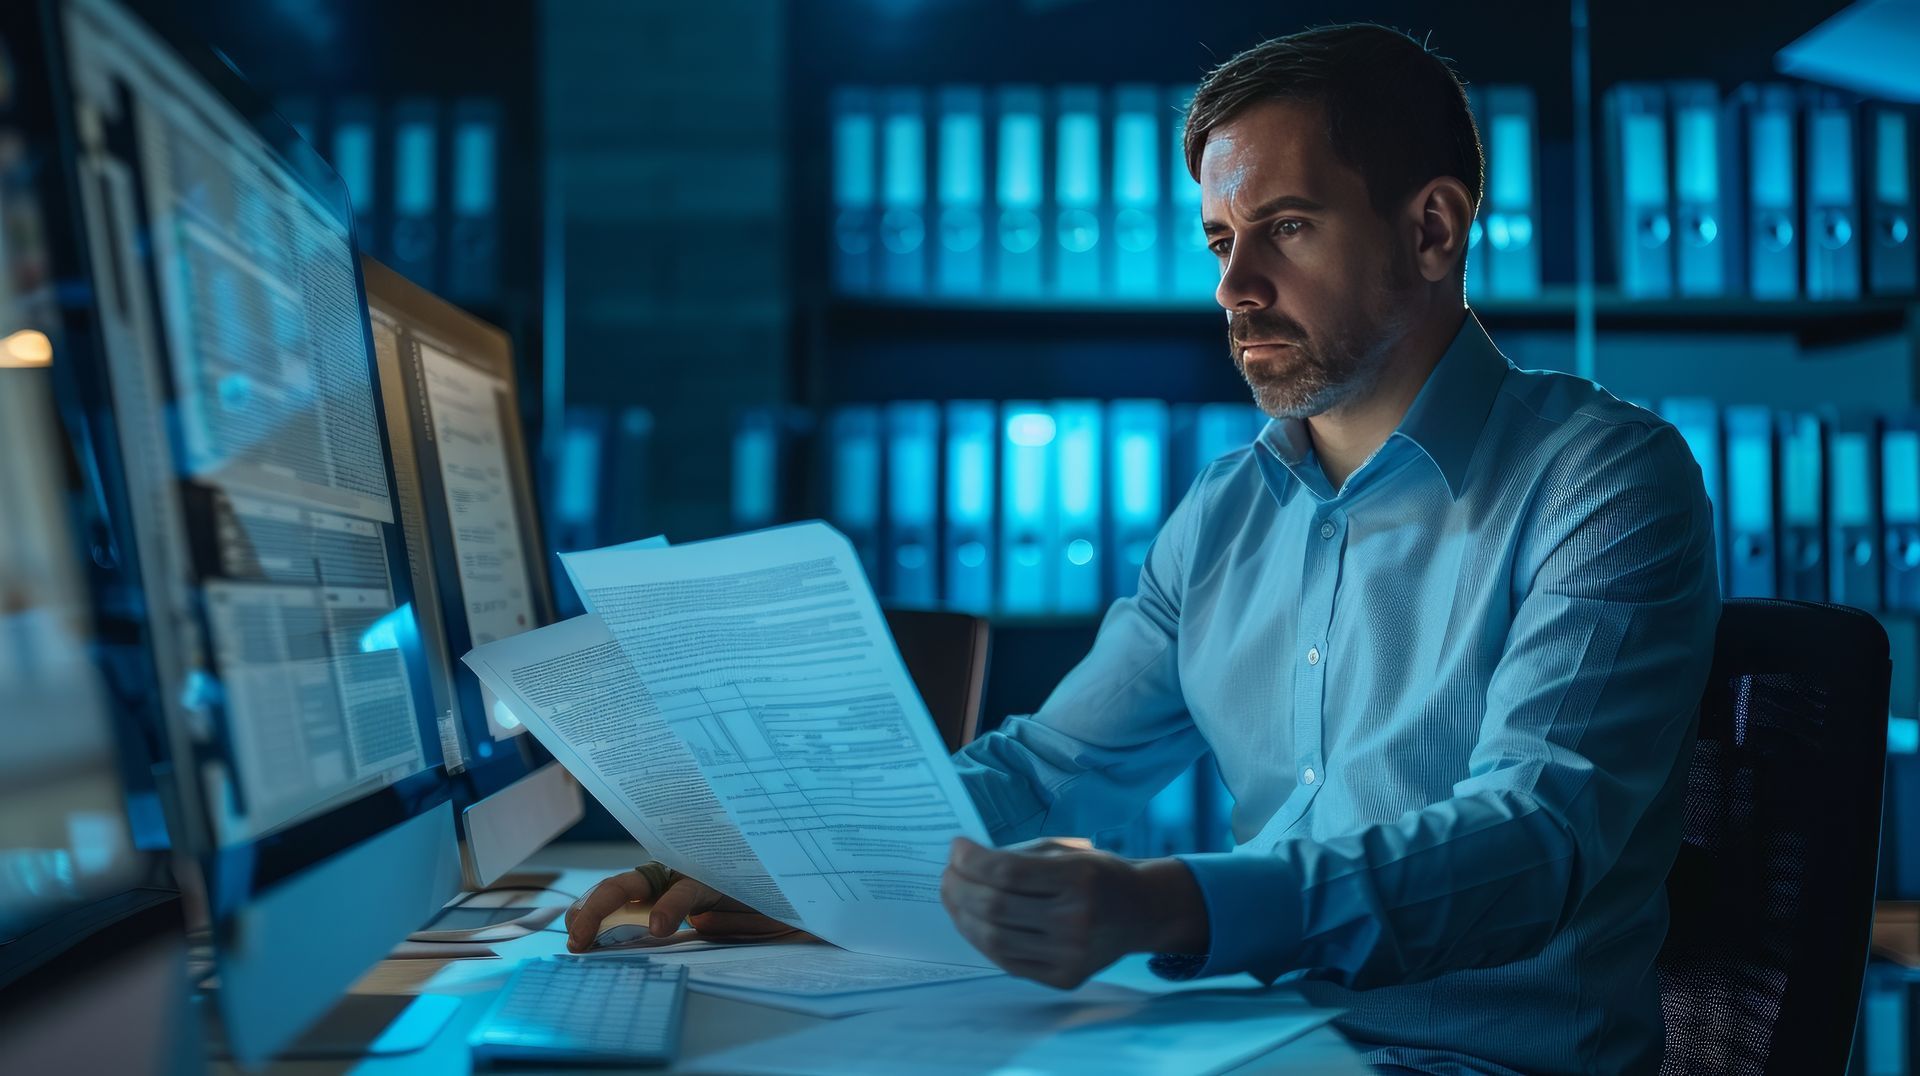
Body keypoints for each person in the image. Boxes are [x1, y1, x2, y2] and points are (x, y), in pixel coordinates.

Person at [566, 22, 1718, 1075]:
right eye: (1220, 238)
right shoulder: (1224, 511)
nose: (1233, 286)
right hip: (1256, 1040)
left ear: (1432, 229)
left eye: (1287, 229)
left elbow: (1533, 836)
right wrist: (772, 859)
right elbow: (1048, 768)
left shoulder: (1604, 478)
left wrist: (1169, 906)